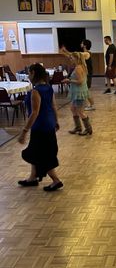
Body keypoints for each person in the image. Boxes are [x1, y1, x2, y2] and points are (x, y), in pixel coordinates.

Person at [17, 63, 63, 192]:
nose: (28, 75)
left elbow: (35, 112)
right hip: (48, 124)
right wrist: (56, 121)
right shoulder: (48, 88)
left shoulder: (36, 91)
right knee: (36, 152)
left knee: (42, 155)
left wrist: (24, 131)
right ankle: (32, 178)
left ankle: (56, 180)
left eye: (30, 73)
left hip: (40, 126)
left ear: (34, 74)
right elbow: (54, 106)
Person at [62, 52, 92, 136]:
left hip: (79, 92)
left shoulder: (78, 68)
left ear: (77, 59)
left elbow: (80, 81)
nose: (70, 59)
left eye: (72, 58)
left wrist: (69, 80)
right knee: (73, 109)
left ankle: (88, 129)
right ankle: (78, 127)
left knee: (80, 111)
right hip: (77, 92)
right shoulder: (80, 66)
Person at [81, 40, 95, 111]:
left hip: (88, 74)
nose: (81, 44)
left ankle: (92, 105)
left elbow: (76, 55)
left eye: (82, 43)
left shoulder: (86, 53)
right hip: (86, 74)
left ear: (85, 45)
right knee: (85, 90)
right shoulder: (85, 53)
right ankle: (90, 105)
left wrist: (65, 52)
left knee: (86, 90)